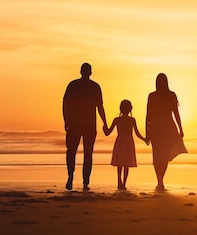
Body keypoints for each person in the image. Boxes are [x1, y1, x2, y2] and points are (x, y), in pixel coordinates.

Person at [62, 63, 107, 191]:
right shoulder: (94, 86)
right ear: (90, 72)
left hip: (77, 124)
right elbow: (100, 107)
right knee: (87, 153)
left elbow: (65, 105)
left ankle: (71, 177)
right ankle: (85, 181)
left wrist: (66, 120)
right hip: (88, 124)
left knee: (71, 151)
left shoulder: (73, 85)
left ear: (81, 71)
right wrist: (105, 122)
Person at [145, 73, 187, 190]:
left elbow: (148, 116)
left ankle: (160, 180)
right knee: (163, 156)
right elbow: (176, 114)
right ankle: (160, 180)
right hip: (166, 128)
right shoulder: (163, 95)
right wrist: (180, 128)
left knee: (158, 155)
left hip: (158, 128)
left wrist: (147, 132)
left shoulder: (158, 96)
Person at [104, 100, 148, 190]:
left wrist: (104, 127)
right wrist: (144, 139)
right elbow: (137, 133)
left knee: (120, 163)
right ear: (130, 109)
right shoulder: (132, 120)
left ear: (120, 108)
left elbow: (107, 132)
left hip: (120, 141)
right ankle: (123, 183)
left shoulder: (117, 120)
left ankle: (119, 182)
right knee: (126, 164)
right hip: (128, 142)